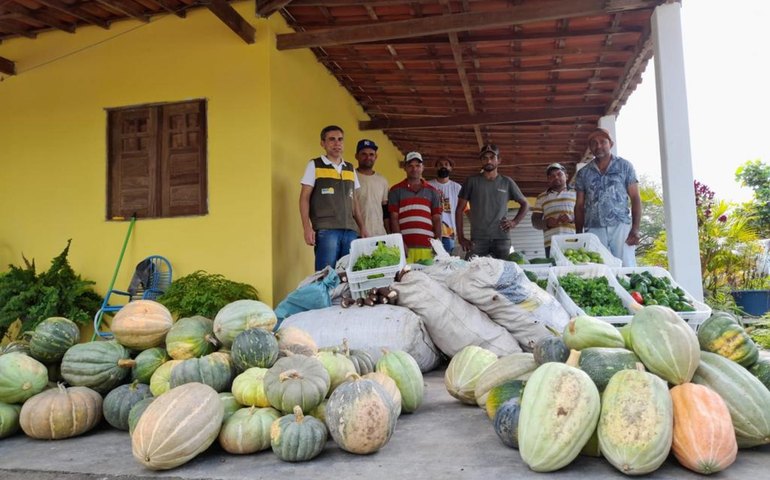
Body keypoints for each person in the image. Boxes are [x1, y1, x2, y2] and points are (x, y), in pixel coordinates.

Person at [299, 125, 368, 272]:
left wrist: (362, 227)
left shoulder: (349, 168)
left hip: (350, 230)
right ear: (322, 143)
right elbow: (304, 197)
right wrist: (307, 227)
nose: (337, 143)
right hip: (326, 230)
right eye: (332, 139)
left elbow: (354, 201)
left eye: (340, 139)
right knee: (325, 275)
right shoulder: (315, 165)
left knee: (347, 275)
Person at [574, 127, 641, 267]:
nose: (598, 146)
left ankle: (630, 291)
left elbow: (635, 198)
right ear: (590, 148)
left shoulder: (624, 166)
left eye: (602, 142)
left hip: (620, 226)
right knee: (599, 269)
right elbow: (579, 206)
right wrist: (579, 234)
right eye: (594, 143)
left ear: (610, 144)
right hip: (594, 228)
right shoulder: (583, 173)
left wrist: (635, 228)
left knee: (627, 268)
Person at [456, 144, 530, 260]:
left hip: (502, 238)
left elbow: (525, 204)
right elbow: (459, 210)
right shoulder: (471, 181)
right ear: (481, 161)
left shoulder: (507, 182)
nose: (488, 160)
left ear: (499, 160)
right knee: (471, 273)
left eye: (492, 157)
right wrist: (461, 238)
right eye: (484, 158)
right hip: (478, 238)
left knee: (504, 274)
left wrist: (514, 222)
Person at [388, 152, 442, 264]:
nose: (414, 169)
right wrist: (400, 243)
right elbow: (394, 219)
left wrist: (438, 244)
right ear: (405, 168)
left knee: (428, 279)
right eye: (410, 166)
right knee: (406, 279)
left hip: (428, 247)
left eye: (417, 165)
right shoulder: (395, 190)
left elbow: (437, 219)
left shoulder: (433, 192)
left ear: (423, 168)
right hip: (405, 247)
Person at [531, 163, 577, 257]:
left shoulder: (577, 193)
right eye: (551, 176)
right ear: (548, 180)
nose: (556, 177)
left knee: (575, 270)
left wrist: (572, 218)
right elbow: (535, 221)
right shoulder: (541, 197)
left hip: (575, 242)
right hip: (551, 244)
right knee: (554, 270)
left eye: (559, 174)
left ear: (567, 176)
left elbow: (587, 215)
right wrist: (546, 223)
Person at [354, 139, 390, 237]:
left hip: (379, 234)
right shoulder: (350, 177)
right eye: (364, 154)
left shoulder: (382, 180)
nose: (368, 157)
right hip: (356, 234)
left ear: (376, 157)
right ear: (356, 156)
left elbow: (385, 210)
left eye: (371, 154)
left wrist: (389, 233)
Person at [427, 157, 463, 254]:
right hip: (430, 231)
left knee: (445, 262)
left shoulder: (457, 188)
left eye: (446, 164)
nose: (443, 166)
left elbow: (464, 210)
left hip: (449, 233)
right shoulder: (427, 186)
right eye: (440, 164)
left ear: (450, 168)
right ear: (436, 168)